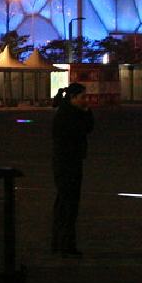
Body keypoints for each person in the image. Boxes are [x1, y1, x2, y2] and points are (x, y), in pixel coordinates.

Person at [52, 82, 94, 259]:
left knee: (63, 203)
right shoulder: (68, 114)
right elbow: (85, 129)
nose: (86, 100)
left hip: (65, 162)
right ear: (73, 98)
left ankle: (58, 242)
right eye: (82, 97)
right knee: (69, 205)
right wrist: (87, 113)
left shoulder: (66, 111)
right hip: (68, 163)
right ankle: (66, 245)